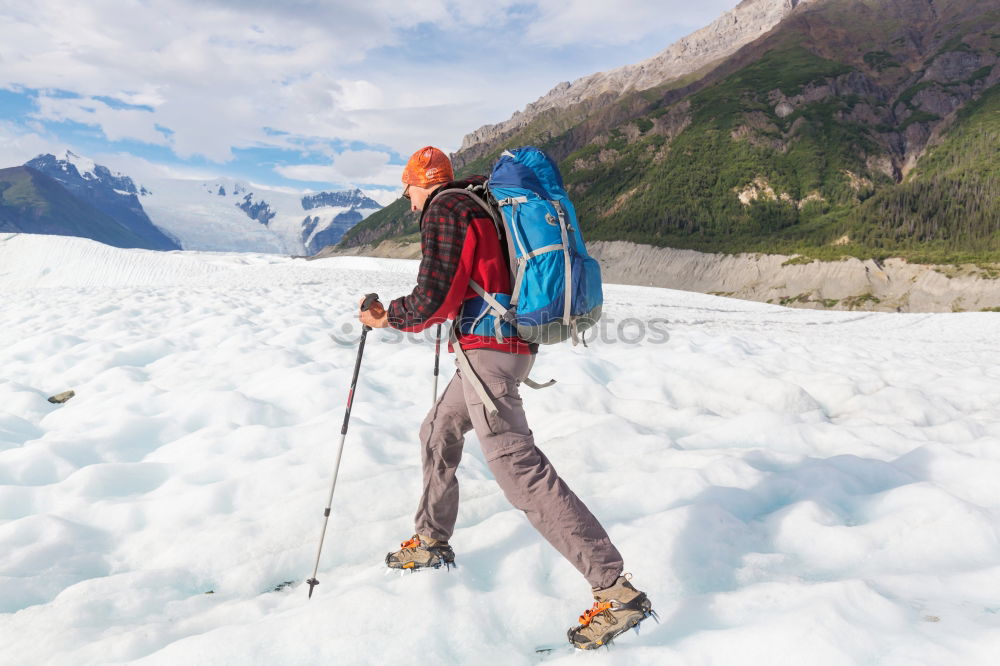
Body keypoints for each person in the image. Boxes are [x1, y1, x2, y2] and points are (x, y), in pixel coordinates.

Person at [358, 146, 653, 649]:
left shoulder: (447, 210)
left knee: (518, 469)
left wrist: (388, 317)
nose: (407, 202)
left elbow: (436, 297)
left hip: (489, 354)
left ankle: (615, 589)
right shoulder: (480, 202)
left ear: (419, 183)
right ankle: (431, 540)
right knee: (438, 430)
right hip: (504, 347)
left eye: (406, 190)